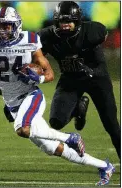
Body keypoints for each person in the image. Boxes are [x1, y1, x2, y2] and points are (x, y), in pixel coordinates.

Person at [0, 7, 115, 186]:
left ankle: (69, 137)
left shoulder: (30, 41)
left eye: (7, 27)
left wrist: (38, 77)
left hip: (30, 95)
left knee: (23, 129)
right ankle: (104, 166)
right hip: (12, 103)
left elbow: (49, 74)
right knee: (51, 148)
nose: (2, 31)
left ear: (17, 26)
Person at [37, 1, 121, 159]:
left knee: (111, 124)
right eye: (62, 21)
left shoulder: (92, 31)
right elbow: (35, 57)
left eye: (69, 21)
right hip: (70, 79)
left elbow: (99, 61)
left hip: (97, 79)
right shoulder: (47, 36)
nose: (66, 25)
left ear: (77, 21)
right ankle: (78, 109)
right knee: (56, 122)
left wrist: (90, 71)